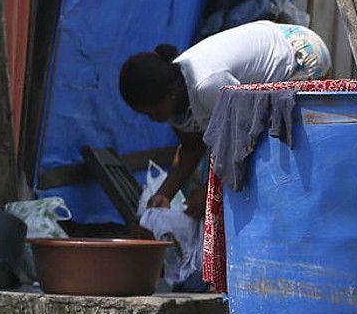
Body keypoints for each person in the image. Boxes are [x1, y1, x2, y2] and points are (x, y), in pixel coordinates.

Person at [118, 20, 331, 211]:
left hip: (301, 55)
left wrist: (210, 192)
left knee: (273, 156)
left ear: (170, 95)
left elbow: (248, 138)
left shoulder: (207, 85)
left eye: (155, 112)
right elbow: (192, 148)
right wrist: (163, 195)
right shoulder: (174, 90)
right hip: (276, 47)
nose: (154, 120)